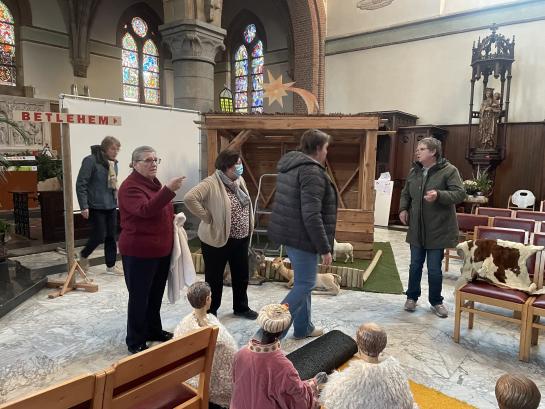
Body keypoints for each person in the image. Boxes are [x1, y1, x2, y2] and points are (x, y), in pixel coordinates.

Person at [268, 129, 337, 338]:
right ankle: (269, 333)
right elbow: (311, 215)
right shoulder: (312, 172)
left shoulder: (291, 166)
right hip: (303, 238)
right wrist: (324, 248)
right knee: (306, 284)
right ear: (317, 148)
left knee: (302, 283)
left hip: (292, 234)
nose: (326, 153)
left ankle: (303, 327)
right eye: (326, 148)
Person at [118, 145, 186, 354]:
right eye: (148, 160)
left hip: (160, 250)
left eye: (156, 160)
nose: (153, 164)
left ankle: (153, 330)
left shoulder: (153, 185)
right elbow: (145, 211)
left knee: (155, 294)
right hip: (140, 251)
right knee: (140, 297)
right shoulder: (130, 187)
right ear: (135, 164)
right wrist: (169, 190)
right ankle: (135, 339)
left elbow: (159, 211)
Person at [184, 149, 257, 319]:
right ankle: (211, 311)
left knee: (241, 275)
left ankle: (241, 307)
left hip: (240, 238)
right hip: (217, 239)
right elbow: (189, 198)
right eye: (236, 164)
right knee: (214, 278)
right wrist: (206, 216)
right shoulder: (211, 182)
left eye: (240, 163)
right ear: (226, 167)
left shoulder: (239, 180)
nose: (240, 167)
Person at [399, 137, 465, 318]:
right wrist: (403, 209)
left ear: (433, 152)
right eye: (417, 149)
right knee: (414, 265)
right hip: (417, 228)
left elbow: (460, 193)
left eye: (421, 149)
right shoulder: (415, 171)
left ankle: (436, 301)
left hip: (438, 228)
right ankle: (411, 297)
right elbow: (406, 193)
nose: (417, 152)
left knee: (434, 268)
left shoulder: (449, 171)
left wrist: (439, 195)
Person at [230, 304, 326, 409]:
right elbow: (300, 400)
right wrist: (313, 384)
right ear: (281, 331)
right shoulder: (284, 367)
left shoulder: (240, 354)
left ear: (262, 325)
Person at [320, 323, 417, 409]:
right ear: (383, 346)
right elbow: (407, 401)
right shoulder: (396, 372)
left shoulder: (352, 377)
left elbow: (332, 399)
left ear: (358, 345)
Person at [174, 282, 237, 409]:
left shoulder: (183, 325)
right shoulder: (213, 332)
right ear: (208, 299)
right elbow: (230, 351)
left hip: (185, 374)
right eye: (210, 296)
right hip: (204, 382)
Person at [76, 136, 122, 275]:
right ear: (105, 148)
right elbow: (81, 184)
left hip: (111, 205)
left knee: (111, 237)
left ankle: (111, 266)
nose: (115, 152)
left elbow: (112, 182)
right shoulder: (90, 161)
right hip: (95, 205)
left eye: (117, 149)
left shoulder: (113, 163)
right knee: (99, 235)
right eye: (113, 149)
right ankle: (83, 256)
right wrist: (84, 206)